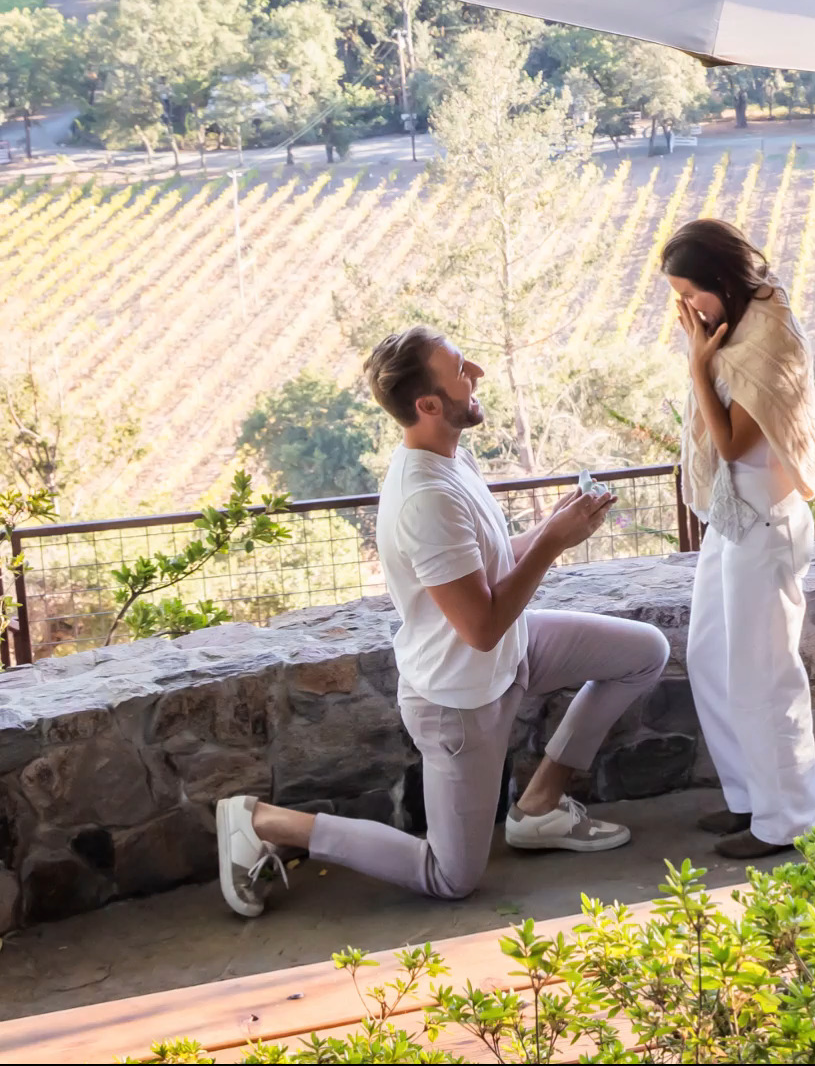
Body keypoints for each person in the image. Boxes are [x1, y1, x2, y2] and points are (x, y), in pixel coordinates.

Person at [216, 325, 669, 917]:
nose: (476, 371)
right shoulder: (424, 498)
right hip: (462, 698)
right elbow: (479, 626)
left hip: (513, 652)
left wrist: (556, 523)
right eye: (460, 369)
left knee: (644, 653)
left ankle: (538, 807)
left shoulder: (452, 456)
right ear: (427, 404)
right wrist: (554, 543)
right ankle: (263, 821)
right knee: (451, 876)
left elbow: (493, 568)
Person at [660, 217, 815, 861]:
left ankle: (784, 822)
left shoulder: (767, 340)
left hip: (766, 521)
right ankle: (748, 799)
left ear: (723, 280)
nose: (687, 310)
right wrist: (704, 352)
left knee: (765, 675)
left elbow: (732, 442)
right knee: (709, 655)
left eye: (691, 294)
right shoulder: (732, 323)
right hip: (732, 516)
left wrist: (700, 367)